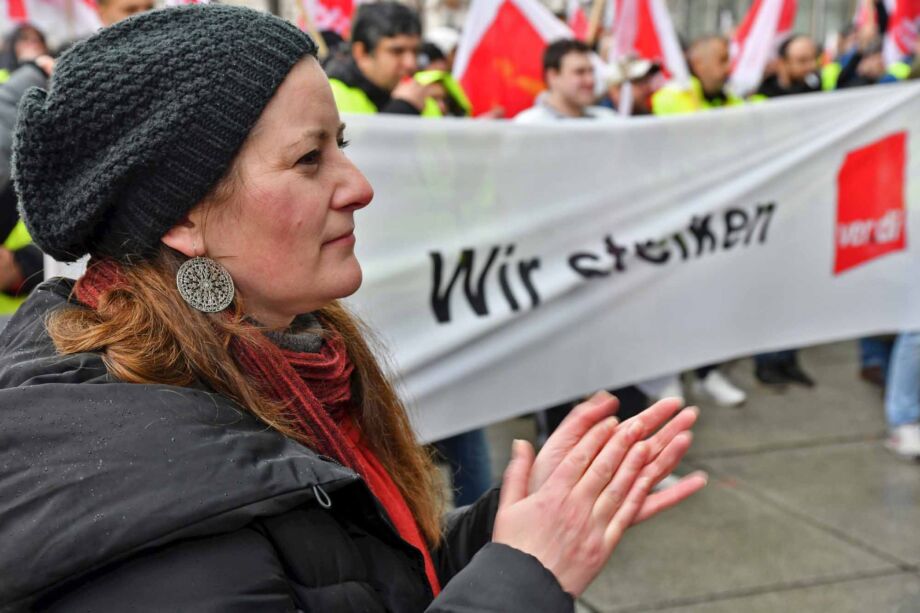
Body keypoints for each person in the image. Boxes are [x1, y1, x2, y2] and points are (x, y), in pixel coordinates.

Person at [0, 6, 706, 610]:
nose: (359, 185)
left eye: (343, 144)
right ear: (183, 215)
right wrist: (523, 579)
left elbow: (358, 581)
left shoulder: (284, 358)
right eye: (310, 158)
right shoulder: (147, 509)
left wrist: (510, 531)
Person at [325, 2, 433, 116]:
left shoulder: (420, 96)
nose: (410, 63)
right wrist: (401, 110)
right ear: (362, 53)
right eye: (397, 51)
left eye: (416, 52)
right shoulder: (330, 97)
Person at [515, 39, 619, 122]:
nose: (590, 80)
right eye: (579, 72)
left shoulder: (608, 120)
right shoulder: (529, 125)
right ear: (553, 76)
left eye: (591, 71)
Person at [652, 35, 743, 115]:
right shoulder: (671, 97)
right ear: (698, 63)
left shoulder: (731, 97)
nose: (728, 68)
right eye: (722, 60)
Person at [755, 34, 821, 98]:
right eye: (802, 60)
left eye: (814, 58)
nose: (812, 66)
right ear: (782, 63)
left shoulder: (816, 87)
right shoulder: (764, 93)